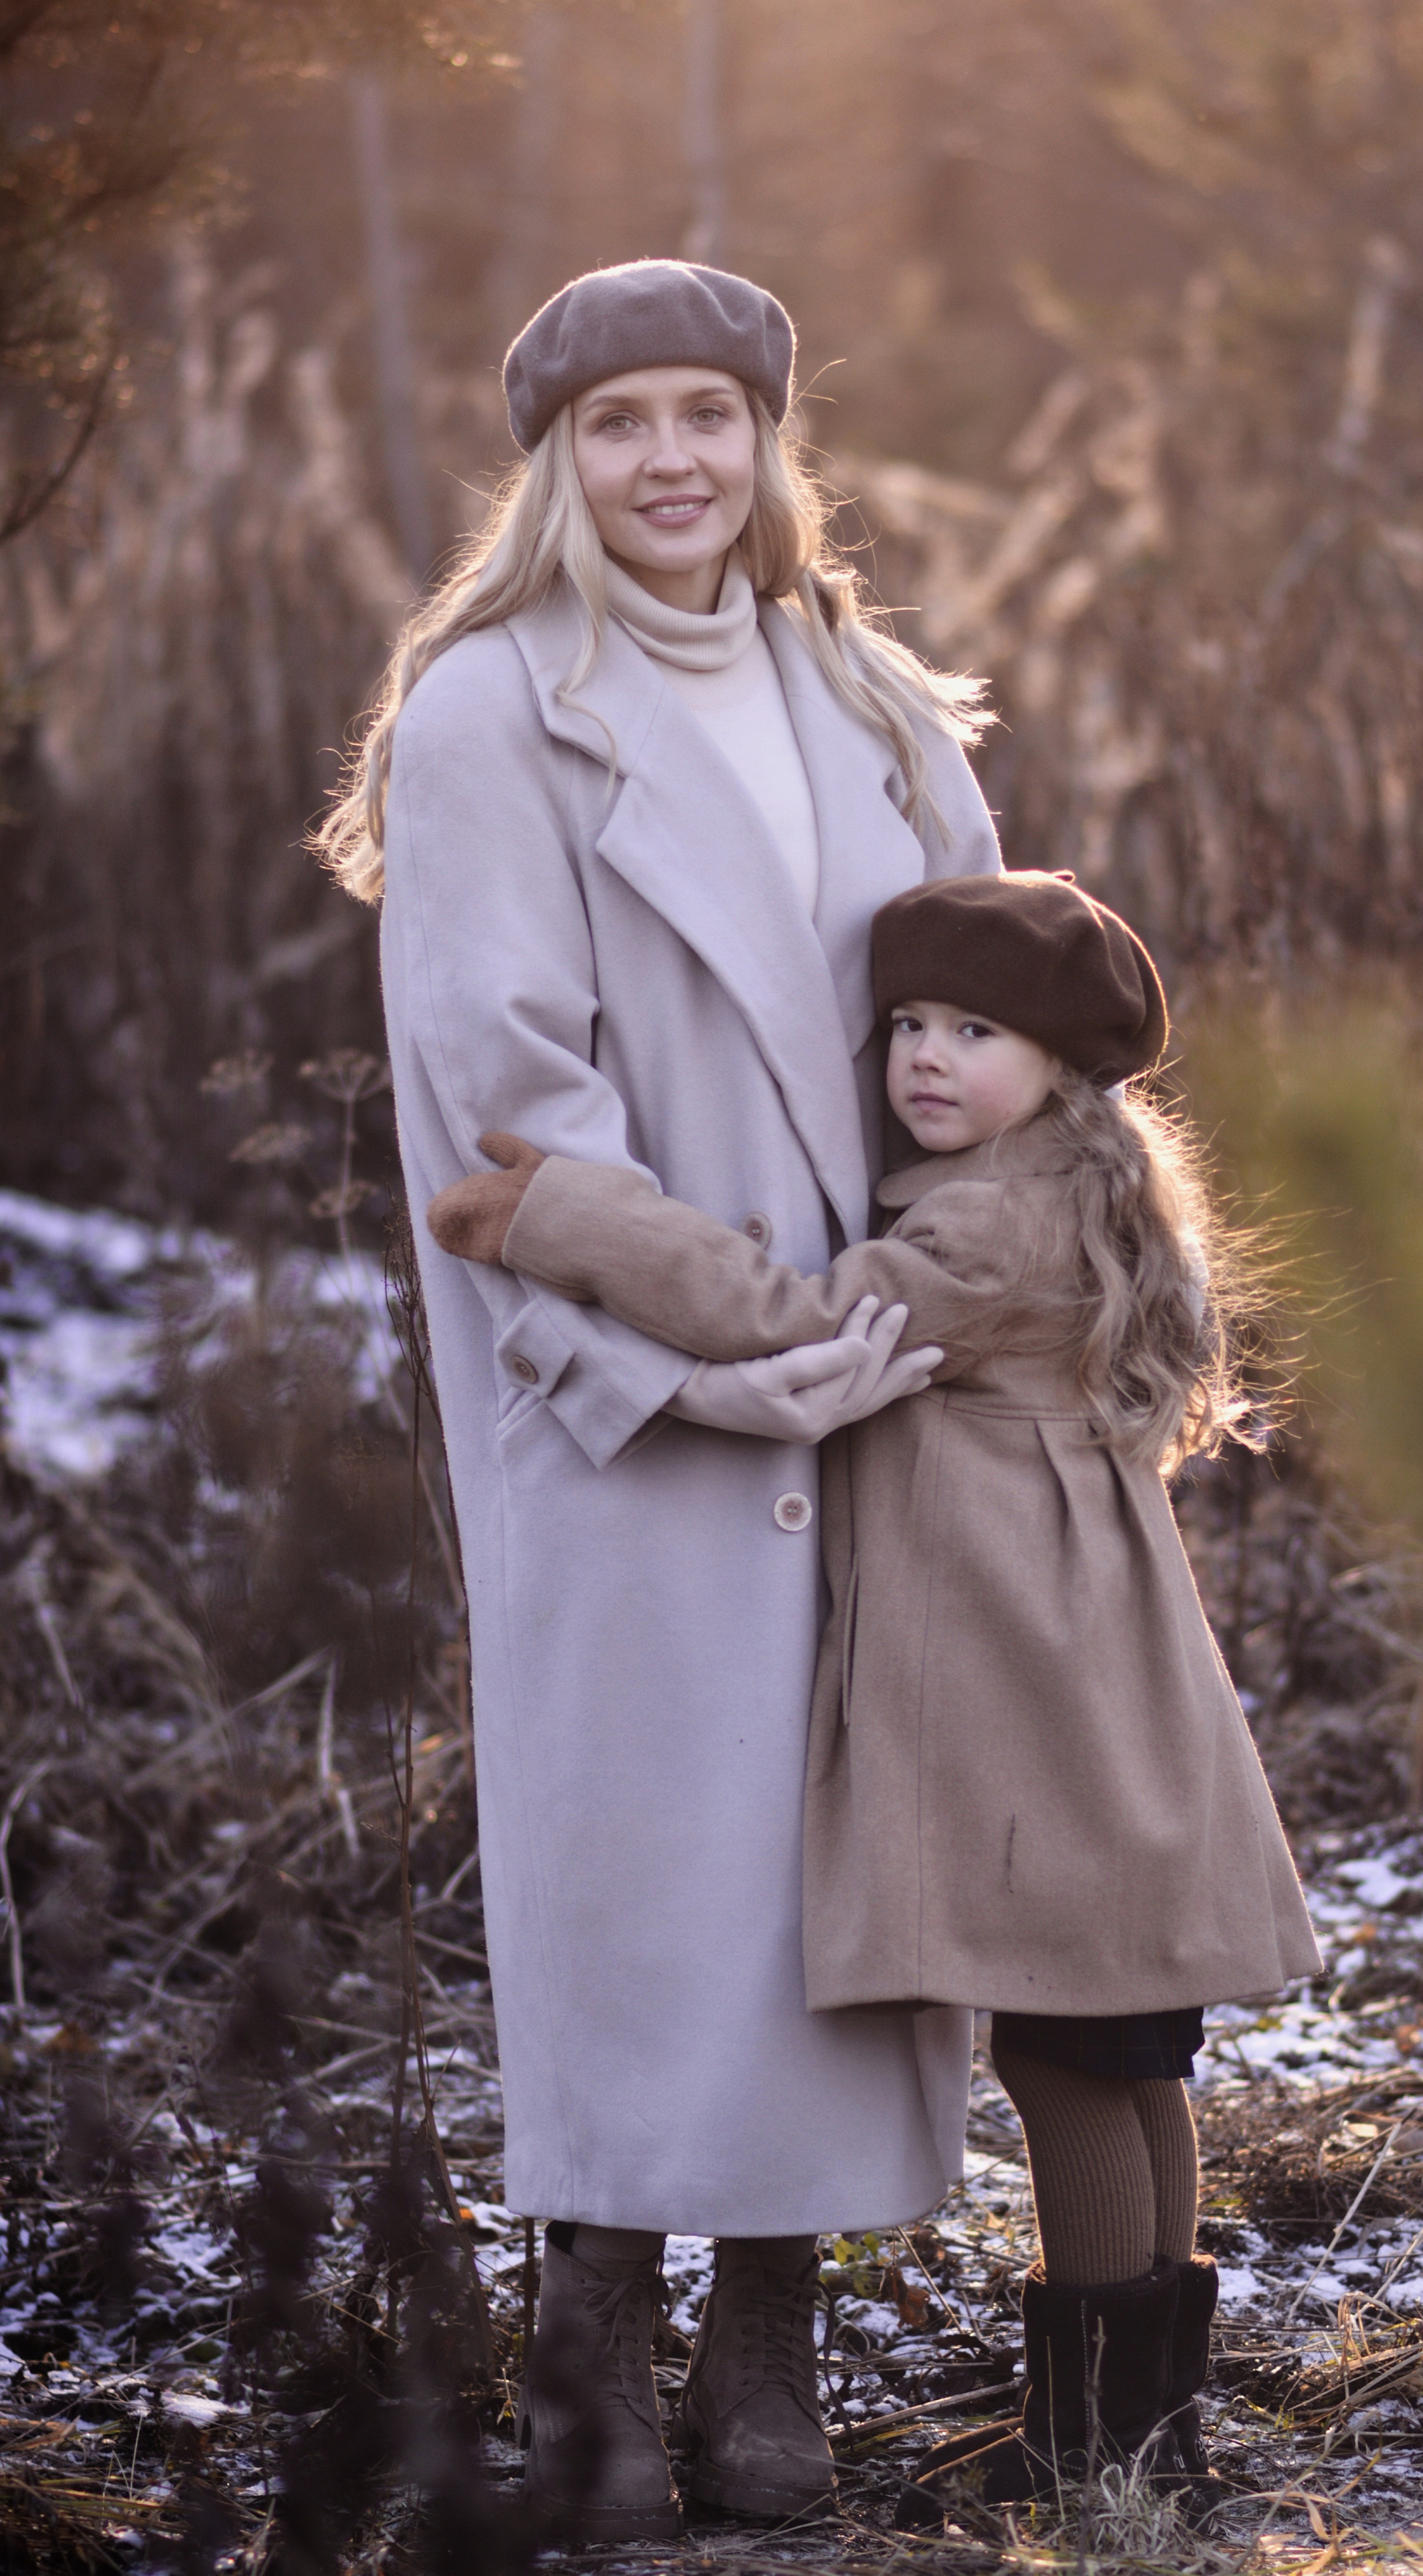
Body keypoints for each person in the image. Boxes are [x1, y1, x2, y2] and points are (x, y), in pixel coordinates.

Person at [313, 258, 1006, 2545]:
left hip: (886, 1379)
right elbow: (501, 1120)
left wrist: (935, 1314)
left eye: (712, 414)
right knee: (643, 1856)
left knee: (833, 1862)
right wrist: (712, 1355)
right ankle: (591, 2345)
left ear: (774, 440)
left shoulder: (885, 708)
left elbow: (987, 1058)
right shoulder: (497, 713)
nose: (674, 462)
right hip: (624, 1396)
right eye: (619, 427)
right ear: (552, 464)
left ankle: (777, 2340)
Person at [429, 869, 1325, 2524]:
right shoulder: (1073, 1180)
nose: (922, 1056)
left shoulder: (980, 1221)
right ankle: (1135, 2438)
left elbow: (800, 1322)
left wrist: (567, 1214)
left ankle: (1099, 2455)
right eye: (906, 1021)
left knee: (1072, 2055)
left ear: (1056, 1064)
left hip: (1030, 1682)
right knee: (1128, 2048)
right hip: (1092, 1670)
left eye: (971, 1031)